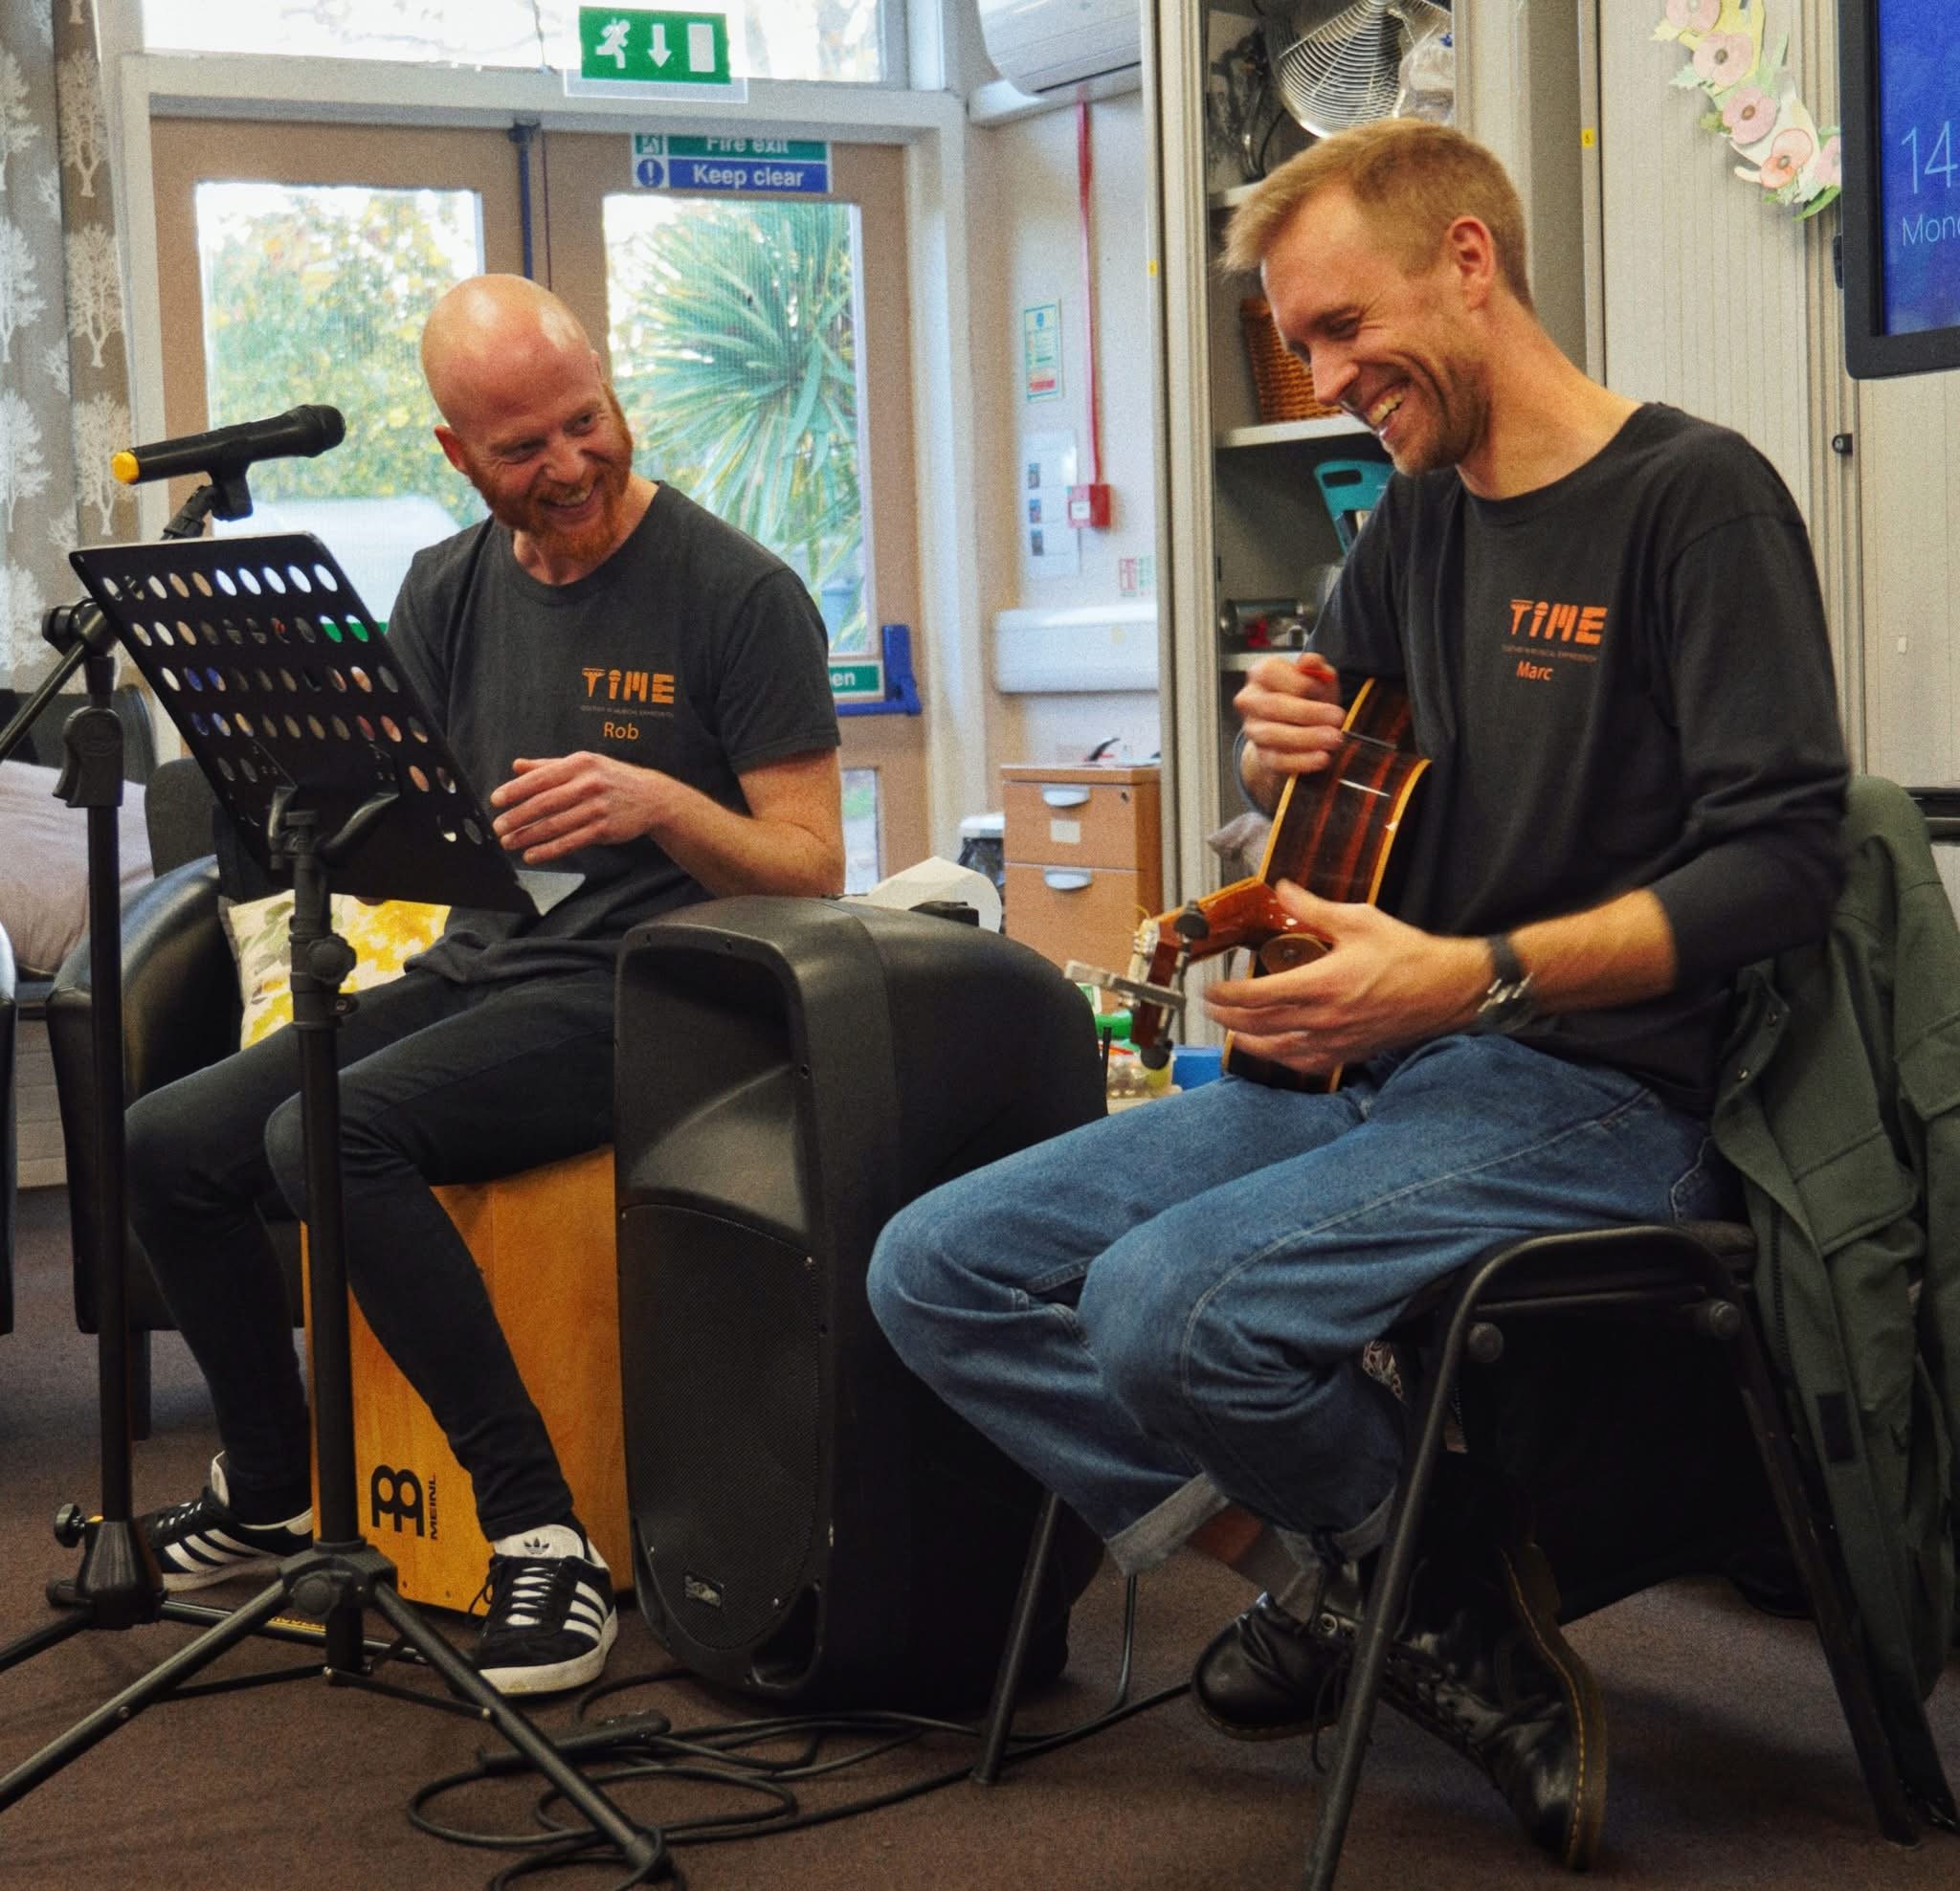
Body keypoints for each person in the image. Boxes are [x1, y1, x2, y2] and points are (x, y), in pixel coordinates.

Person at [867, 120, 1848, 1868]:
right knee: (935, 1269)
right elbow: (1350, 827)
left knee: (1169, 1308)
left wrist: (1469, 979)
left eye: (1336, 329)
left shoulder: (1696, 500)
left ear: (1470, 259)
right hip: (1380, 1069)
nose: (1324, 380)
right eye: (1300, 350)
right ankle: (1409, 1577)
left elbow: (1783, 867)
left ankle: (1384, 1581)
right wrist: (1275, 768)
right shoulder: (1408, 524)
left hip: (1609, 1098)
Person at [126, 275, 844, 1695]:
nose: (571, 465)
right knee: (166, 1144)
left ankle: (540, 1537)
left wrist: (658, 801)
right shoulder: (448, 588)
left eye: (588, 421)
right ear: (458, 455)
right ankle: (273, 1487)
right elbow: (387, 803)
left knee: (332, 1132)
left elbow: (813, 866)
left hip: (660, 1002)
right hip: (485, 971)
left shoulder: (738, 594)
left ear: (611, 390)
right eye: (524, 449)